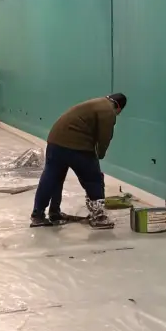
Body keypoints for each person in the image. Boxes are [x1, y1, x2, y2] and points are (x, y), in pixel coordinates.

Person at [30, 93, 127, 229]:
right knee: (94, 179)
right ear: (119, 108)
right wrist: (99, 155)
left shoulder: (96, 103)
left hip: (55, 141)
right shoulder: (108, 110)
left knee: (52, 178)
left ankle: (41, 215)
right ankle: (98, 217)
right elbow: (104, 137)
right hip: (76, 145)